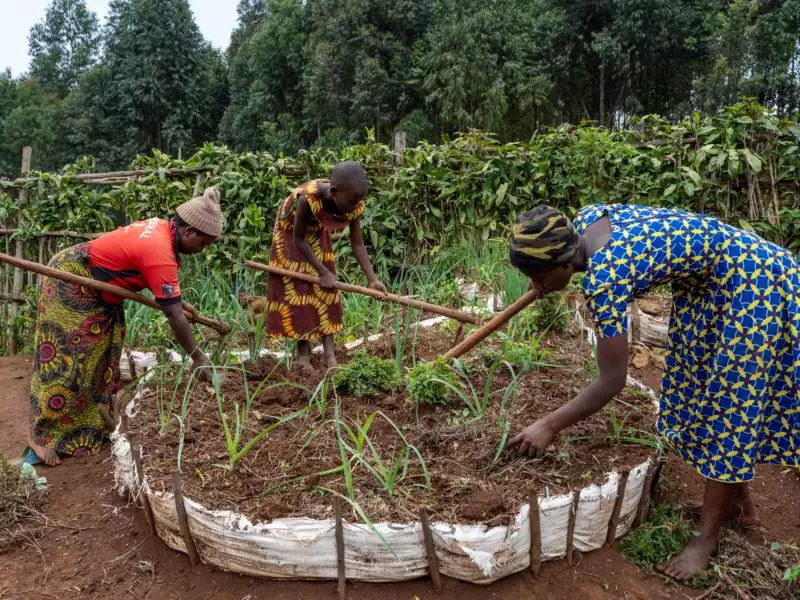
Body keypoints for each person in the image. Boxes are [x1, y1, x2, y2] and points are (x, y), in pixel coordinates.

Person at [506, 203, 799, 580]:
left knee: (731, 403)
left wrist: (549, 424)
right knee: (699, 383)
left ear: (565, 266)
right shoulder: (588, 218)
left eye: (539, 277)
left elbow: (611, 380)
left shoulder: (605, 279)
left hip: (756, 285)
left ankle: (704, 542)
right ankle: (738, 506)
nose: (535, 286)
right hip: (710, 284)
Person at [21, 187, 224, 467]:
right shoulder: (160, 249)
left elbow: (160, 289)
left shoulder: (163, 231)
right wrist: (198, 357)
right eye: (204, 244)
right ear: (189, 231)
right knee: (66, 360)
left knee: (100, 358)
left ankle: (83, 432)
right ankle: (40, 437)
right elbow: (174, 316)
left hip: (98, 290)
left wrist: (176, 302)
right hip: (72, 282)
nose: (201, 251)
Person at [266, 161, 387, 370]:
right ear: (333, 192)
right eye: (350, 202)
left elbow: (357, 243)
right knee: (298, 289)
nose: (355, 207)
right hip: (291, 235)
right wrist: (321, 271)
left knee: (329, 289)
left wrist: (372, 280)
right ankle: (302, 354)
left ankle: (329, 355)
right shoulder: (307, 199)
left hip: (316, 234)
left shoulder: (352, 202)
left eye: (358, 201)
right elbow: (298, 239)